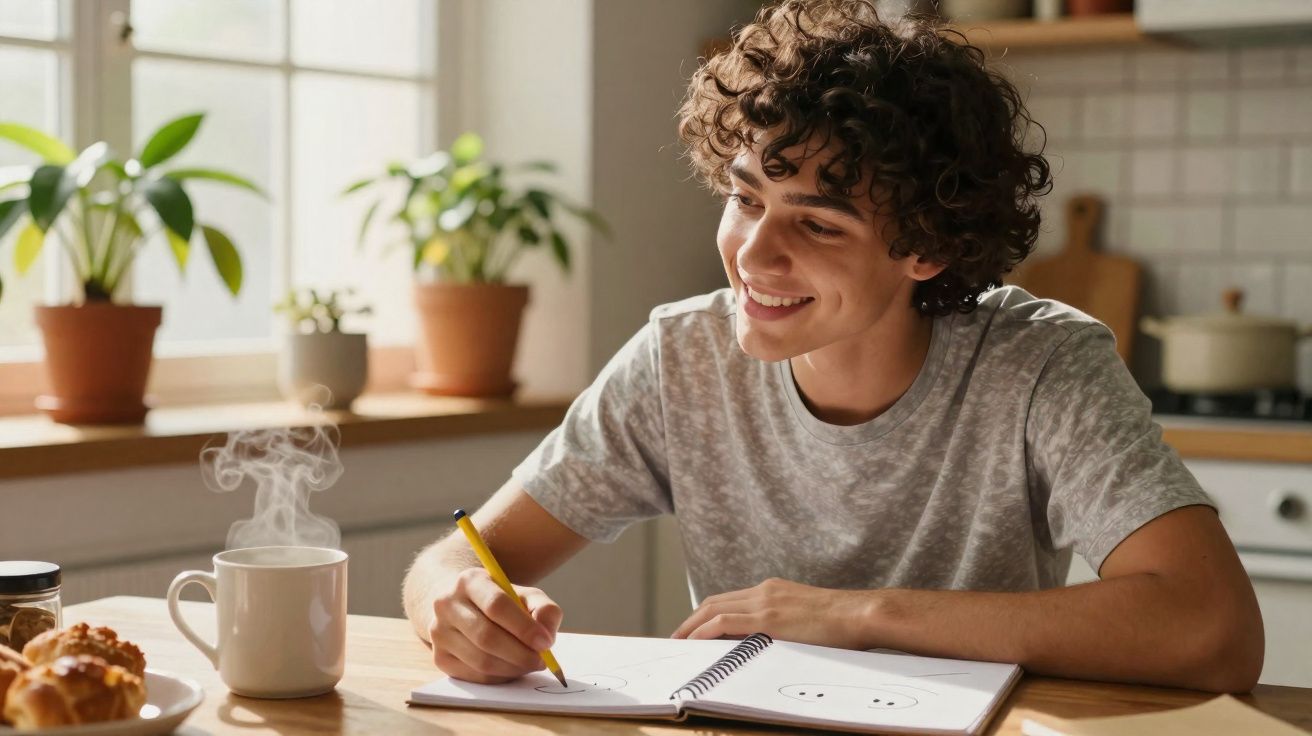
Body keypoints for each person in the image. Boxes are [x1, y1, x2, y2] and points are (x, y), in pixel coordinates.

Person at [402, 0, 1263, 693]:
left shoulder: (1041, 365)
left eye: (816, 224)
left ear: (926, 248)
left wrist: (856, 615)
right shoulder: (681, 357)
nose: (754, 255)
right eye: (746, 199)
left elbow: (1213, 627)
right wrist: (451, 597)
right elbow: (464, 555)